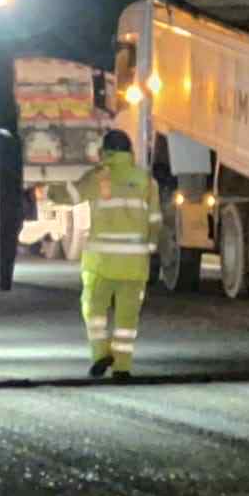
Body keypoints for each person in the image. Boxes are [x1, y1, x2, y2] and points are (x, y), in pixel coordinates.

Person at [76, 128, 161, 379]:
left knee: (94, 310)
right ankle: (122, 367)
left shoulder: (99, 178)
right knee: (127, 319)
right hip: (135, 266)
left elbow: (69, 194)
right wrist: (150, 249)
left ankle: (101, 353)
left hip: (101, 264)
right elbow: (155, 221)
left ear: (106, 152)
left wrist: (39, 193)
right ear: (130, 152)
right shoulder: (146, 181)